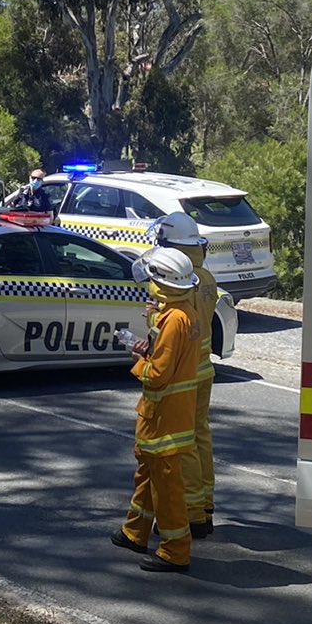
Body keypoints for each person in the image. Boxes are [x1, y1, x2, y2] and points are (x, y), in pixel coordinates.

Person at [110, 246, 202, 573]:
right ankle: (135, 531)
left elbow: (159, 374)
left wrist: (139, 362)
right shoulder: (183, 311)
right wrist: (151, 329)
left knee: (167, 487)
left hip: (164, 416)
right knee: (148, 476)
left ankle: (175, 551)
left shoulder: (175, 319)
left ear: (163, 283)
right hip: (166, 415)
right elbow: (167, 351)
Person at [148, 211, 220, 539]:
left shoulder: (182, 282)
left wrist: (152, 317)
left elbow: (172, 328)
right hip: (204, 369)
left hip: (184, 373)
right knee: (201, 437)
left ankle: (192, 516)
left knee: (183, 443)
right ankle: (205, 505)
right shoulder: (206, 277)